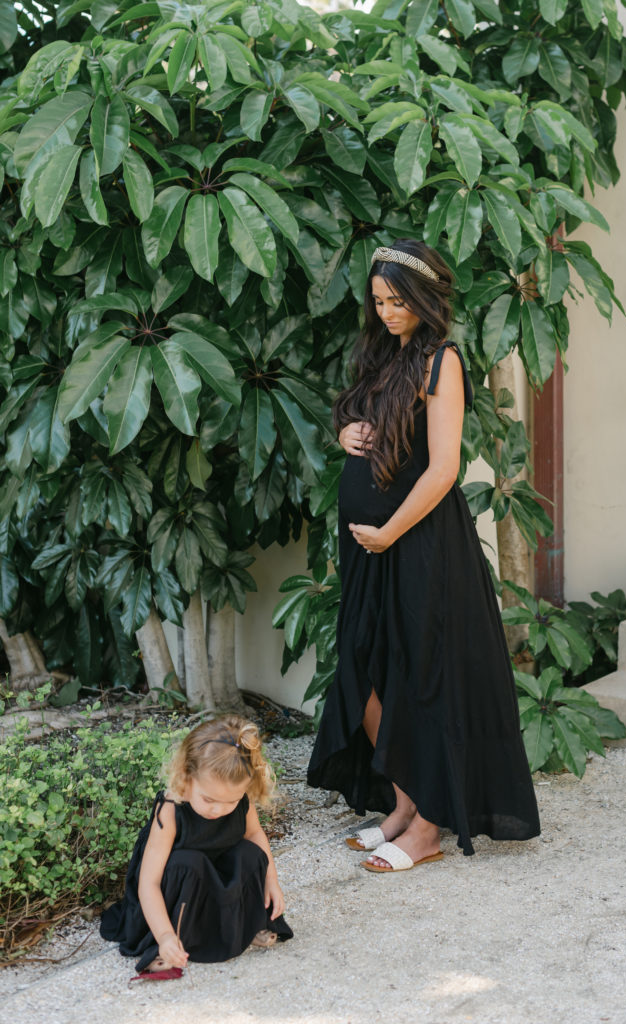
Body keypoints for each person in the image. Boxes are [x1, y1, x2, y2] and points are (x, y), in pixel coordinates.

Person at [307, 239, 540, 872]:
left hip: (421, 546)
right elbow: (362, 419)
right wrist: (344, 429)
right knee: (370, 671)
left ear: (425, 299)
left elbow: (441, 470)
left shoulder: (443, 361)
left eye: (396, 302)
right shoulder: (383, 353)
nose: (385, 312)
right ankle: (408, 803)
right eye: (378, 301)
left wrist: (390, 533)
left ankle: (430, 826)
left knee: (422, 676)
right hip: (369, 551)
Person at [100, 715, 293, 973]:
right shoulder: (171, 809)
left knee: (251, 853)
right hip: (179, 890)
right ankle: (174, 941)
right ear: (186, 777)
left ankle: (245, 926)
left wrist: (272, 881)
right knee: (189, 862)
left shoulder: (239, 798)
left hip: (217, 881)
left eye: (230, 801)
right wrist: (164, 935)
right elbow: (150, 883)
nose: (219, 810)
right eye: (209, 799)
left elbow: (256, 835)